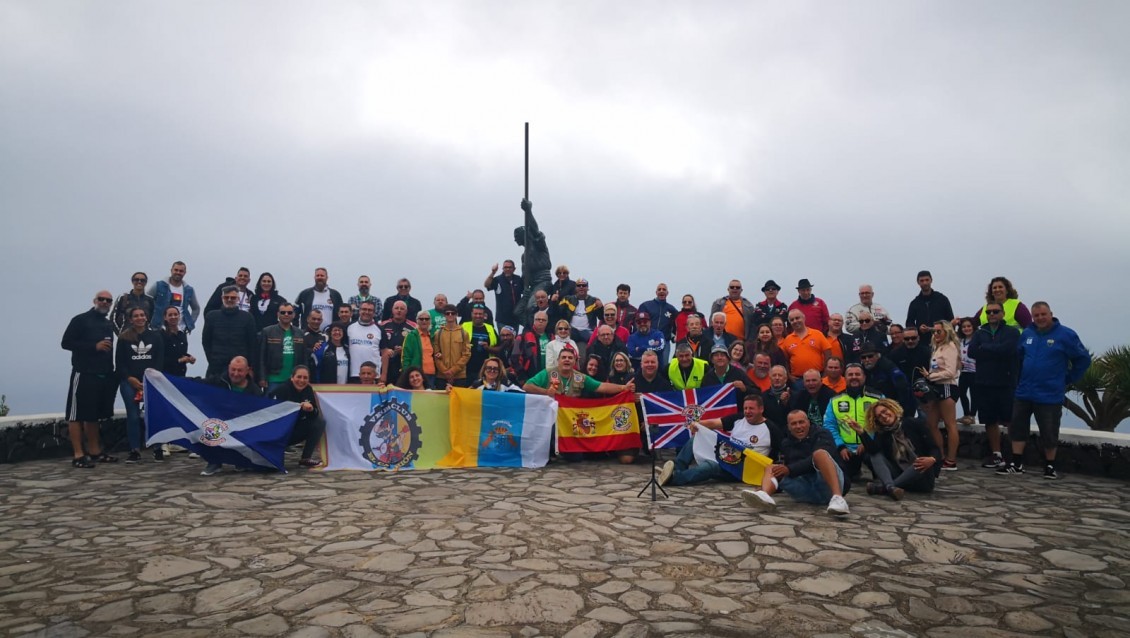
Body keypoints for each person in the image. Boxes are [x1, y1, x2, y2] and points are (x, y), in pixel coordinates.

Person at [997, 302, 1090, 479]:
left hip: (1049, 393)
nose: (1040, 318)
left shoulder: (1066, 335)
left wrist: (1068, 379)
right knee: (1017, 427)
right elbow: (1020, 357)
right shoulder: (1027, 333)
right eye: (1036, 315)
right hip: (1024, 391)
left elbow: (1083, 359)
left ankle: (1050, 465)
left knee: (1049, 430)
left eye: (1043, 314)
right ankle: (1016, 463)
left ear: (1050, 314)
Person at [741, 410, 850, 515]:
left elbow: (811, 462)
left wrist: (790, 469)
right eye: (794, 424)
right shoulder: (786, 443)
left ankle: (838, 499)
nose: (798, 426)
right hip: (807, 491)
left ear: (808, 422)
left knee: (819, 454)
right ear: (788, 427)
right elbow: (787, 471)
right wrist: (772, 485)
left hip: (828, 486)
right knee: (772, 467)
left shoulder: (823, 434)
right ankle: (765, 495)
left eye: (801, 422)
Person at [656, 397, 778, 488]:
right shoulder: (739, 419)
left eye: (751, 408)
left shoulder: (771, 429)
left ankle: (673, 479)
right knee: (695, 438)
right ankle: (677, 468)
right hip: (725, 457)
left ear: (761, 409)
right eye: (745, 408)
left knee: (710, 466)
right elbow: (715, 423)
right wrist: (697, 425)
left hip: (740, 471)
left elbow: (780, 452)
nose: (747, 411)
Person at [852, 399, 940, 500]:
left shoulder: (914, 423)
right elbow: (873, 450)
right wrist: (861, 432)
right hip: (899, 473)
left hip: (921, 476)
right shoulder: (882, 433)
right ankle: (891, 487)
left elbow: (935, 449)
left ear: (892, 409)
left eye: (885, 412)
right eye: (879, 416)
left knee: (919, 461)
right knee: (875, 455)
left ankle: (884, 488)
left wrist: (932, 459)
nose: (884, 416)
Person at [968, 302, 1020, 469]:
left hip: (1006, 382)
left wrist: (986, 349)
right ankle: (997, 454)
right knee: (989, 420)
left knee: (1010, 419)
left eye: (995, 311)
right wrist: (994, 350)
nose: (992, 314)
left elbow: (1009, 350)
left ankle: (1014, 456)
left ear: (1003, 313)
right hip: (984, 382)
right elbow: (972, 352)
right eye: (988, 312)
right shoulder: (980, 332)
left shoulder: (1012, 332)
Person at [200, 356, 264, 476]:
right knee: (211, 422)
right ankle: (214, 462)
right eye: (233, 369)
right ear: (228, 368)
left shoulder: (255, 392)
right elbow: (196, 383)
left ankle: (241, 460)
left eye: (240, 370)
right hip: (220, 423)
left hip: (242, 427)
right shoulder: (218, 381)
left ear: (247, 370)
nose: (235, 373)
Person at [115, 307, 164, 463]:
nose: (139, 318)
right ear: (130, 319)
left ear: (146, 317)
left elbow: (159, 360)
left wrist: (148, 379)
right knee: (133, 416)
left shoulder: (156, 336)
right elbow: (120, 363)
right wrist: (130, 379)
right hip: (129, 382)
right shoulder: (124, 338)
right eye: (136, 316)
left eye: (142, 315)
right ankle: (134, 450)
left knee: (154, 415)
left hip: (151, 381)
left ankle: (157, 448)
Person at [822, 363, 880, 480]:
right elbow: (829, 425)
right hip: (845, 449)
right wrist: (841, 446)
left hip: (869, 448)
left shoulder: (877, 398)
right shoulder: (835, 400)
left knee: (879, 473)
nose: (854, 377)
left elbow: (882, 424)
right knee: (843, 477)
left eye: (857, 374)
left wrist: (867, 442)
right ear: (845, 377)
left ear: (864, 377)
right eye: (850, 374)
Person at [921, 321, 962, 471]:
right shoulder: (937, 348)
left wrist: (931, 376)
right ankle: (940, 455)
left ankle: (951, 459)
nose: (936, 334)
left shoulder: (950, 347)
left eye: (939, 331)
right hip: (936, 387)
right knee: (931, 424)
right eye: (934, 332)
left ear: (947, 332)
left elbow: (951, 372)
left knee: (949, 424)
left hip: (947, 386)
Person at [268, 366, 326, 469]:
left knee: (320, 422)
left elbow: (315, 414)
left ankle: (305, 458)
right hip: (277, 432)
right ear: (292, 377)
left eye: (305, 378)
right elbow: (271, 415)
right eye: (299, 377)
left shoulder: (308, 389)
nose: (302, 381)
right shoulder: (281, 390)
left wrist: (311, 410)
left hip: (295, 430)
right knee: (273, 467)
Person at [522, 347, 634, 398]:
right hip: (550, 416)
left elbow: (602, 386)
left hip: (569, 417)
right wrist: (546, 392)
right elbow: (527, 386)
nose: (567, 360)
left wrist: (623, 388)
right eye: (564, 357)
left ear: (575, 361)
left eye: (570, 358)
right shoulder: (547, 373)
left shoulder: (580, 377)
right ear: (558, 360)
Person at [201, 286, 257, 380]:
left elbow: (252, 344)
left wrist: (250, 366)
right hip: (216, 367)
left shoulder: (247, 318)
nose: (229, 300)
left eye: (233, 297)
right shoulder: (211, 316)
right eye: (226, 297)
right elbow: (206, 341)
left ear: (238, 299)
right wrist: (212, 360)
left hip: (239, 368)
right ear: (222, 298)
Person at [513, 198, 554, 326]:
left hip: (543, 283)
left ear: (523, 235)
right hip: (531, 287)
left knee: (531, 307)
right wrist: (525, 288)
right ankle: (531, 329)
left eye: (516, 237)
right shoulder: (523, 256)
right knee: (517, 312)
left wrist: (528, 211)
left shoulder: (538, 245)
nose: (515, 240)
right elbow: (525, 275)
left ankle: (537, 329)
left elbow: (535, 230)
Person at [257, 303, 306, 394]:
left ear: (294, 315)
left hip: (294, 380)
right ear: (278, 314)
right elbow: (261, 357)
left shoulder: (300, 333)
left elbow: (304, 357)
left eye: (289, 312)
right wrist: (262, 377)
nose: (286, 315)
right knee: (272, 406)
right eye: (283, 312)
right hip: (273, 379)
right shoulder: (267, 331)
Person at [859, 343, 912, 415]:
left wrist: (901, 408)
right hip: (873, 405)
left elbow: (903, 386)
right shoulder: (861, 369)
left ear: (877, 356)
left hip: (893, 405)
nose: (867, 360)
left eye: (870, 356)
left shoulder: (888, 366)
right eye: (863, 357)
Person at [780, 310, 833, 381]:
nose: (795, 321)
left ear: (804, 318)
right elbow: (785, 360)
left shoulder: (817, 334)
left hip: (817, 378)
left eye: (797, 318)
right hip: (798, 380)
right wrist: (789, 375)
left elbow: (828, 354)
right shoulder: (788, 339)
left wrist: (825, 374)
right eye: (792, 320)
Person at [148, 261, 200, 333]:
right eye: (176, 270)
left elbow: (196, 308)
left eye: (181, 271)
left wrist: (190, 324)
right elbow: (146, 301)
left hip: (180, 330)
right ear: (171, 270)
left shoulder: (189, 290)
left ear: (185, 273)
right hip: (159, 329)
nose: (178, 272)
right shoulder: (159, 285)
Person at [905, 270, 954, 340]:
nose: (925, 283)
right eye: (922, 281)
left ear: (931, 280)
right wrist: (918, 329)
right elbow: (909, 324)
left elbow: (950, 320)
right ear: (918, 282)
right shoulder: (914, 303)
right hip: (922, 342)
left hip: (942, 340)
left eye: (927, 280)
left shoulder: (942, 299)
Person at [379, 301, 418, 385]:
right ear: (392, 310)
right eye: (396, 308)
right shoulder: (383, 325)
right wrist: (386, 350)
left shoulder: (414, 327)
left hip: (404, 366)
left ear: (406, 311)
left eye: (402, 309)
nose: (399, 310)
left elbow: (416, 348)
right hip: (386, 366)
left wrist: (404, 351)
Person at [434, 304, 472, 388]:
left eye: (453, 313)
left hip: (460, 376)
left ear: (456, 315)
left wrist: (453, 370)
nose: (450, 315)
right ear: (444, 315)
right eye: (447, 313)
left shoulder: (464, 333)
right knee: (442, 400)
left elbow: (466, 354)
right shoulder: (438, 333)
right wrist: (445, 371)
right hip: (442, 376)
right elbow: (436, 354)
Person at [638, 284, 678, 360]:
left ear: (667, 293)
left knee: (663, 367)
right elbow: (637, 322)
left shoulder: (672, 310)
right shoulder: (646, 306)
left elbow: (676, 327)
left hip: (664, 343)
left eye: (664, 289)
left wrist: (673, 337)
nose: (661, 291)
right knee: (646, 364)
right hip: (646, 340)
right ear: (656, 292)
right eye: (659, 289)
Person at [296, 268, 344, 332]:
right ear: (314, 277)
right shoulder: (305, 294)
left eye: (322, 276)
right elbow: (294, 313)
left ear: (327, 277)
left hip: (330, 335)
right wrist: (296, 330)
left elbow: (341, 315)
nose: (319, 277)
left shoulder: (335, 295)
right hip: (309, 335)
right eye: (317, 275)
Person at [556, 278, 602, 346]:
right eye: (579, 285)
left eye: (583, 285)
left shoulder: (594, 301)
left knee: (597, 341)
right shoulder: (567, 299)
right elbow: (558, 312)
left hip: (587, 331)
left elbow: (601, 317)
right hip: (572, 330)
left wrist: (601, 307)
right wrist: (555, 301)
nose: (581, 287)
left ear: (587, 288)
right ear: (575, 288)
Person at [401, 310, 438, 389]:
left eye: (427, 319)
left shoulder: (433, 336)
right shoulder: (411, 336)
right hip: (417, 376)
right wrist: (406, 373)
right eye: (421, 319)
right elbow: (406, 357)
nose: (424, 321)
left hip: (432, 374)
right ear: (417, 321)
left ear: (430, 321)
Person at [346, 300, 382, 383]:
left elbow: (384, 353)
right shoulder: (350, 327)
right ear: (359, 311)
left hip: (373, 376)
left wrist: (383, 375)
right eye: (364, 309)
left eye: (370, 310)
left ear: (374, 313)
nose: (367, 312)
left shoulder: (379, 329)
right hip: (353, 374)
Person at [462, 304, 499, 382]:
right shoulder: (464, 326)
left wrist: (488, 348)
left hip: (486, 369)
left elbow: (499, 348)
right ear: (472, 314)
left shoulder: (490, 328)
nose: (478, 316)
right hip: (466, 368)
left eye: (480, 314)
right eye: (475, 314)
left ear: (484, 315)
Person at [484, 260, 523, 329]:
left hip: (515, 319)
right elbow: (486, 285)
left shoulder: (518, 279)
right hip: (502, 319)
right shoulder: (498, 280)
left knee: (514, 339)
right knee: (504, 339)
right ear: (503, 269)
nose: (507, 269)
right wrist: (493, 272)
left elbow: (526, 292)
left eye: (510, 267)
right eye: (505, 267)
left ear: (514, 269)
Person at [159, 307, 195, 377]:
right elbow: (160, 357)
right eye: (170, 315)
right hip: (166, 375)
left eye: (175, 314)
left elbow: (180, 352)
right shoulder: (160, 335)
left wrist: (189, 357)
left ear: (179, 316)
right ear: (165, 317)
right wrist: (179, 360)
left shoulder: (182, 334)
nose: (173, 317)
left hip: (181, 373)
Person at [517, 310, 550, 382]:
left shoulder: (552, 337)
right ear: (534, 321)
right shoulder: (522, 337)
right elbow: (514, 358)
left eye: (543, 320)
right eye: (538, 319)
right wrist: (521, 376)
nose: (541, 321)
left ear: (547, 322)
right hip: (529, 377)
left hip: (549, 377)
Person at [956, 317, 978, 425]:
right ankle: (966, 414)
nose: (966, 328)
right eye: (964, 327)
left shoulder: (977, 339)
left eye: (969, 326)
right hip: (964, 371)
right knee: (961, 392)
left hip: (975, 371)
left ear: (973, 327)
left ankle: (972, 415)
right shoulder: (960, 340)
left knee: (974, 394)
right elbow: (949, 333)